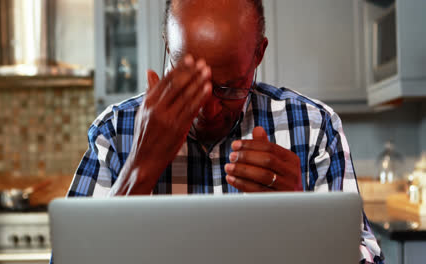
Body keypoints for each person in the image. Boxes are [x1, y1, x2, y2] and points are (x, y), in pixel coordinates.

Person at [65, 0, 383, 263]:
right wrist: (139, 168)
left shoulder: (314, 128)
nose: (207, 109)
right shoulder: (115, 132)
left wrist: (302, 219)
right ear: (166, 46)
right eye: (189, 81)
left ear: (258, 53)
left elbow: (366, 257)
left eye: (229, 88)